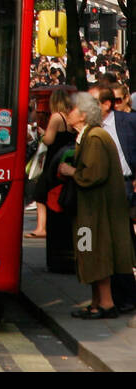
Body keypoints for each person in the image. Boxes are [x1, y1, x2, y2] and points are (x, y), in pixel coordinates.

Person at [59, 91, 135, 319]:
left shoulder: (95, 138)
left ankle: (106, 303)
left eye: (71, 110)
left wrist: (70, 171)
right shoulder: (88, 136)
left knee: (95, 254)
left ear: (82, 115)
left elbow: (93, 174)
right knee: (87, 254)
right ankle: (96, 303)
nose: (67, 114)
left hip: (95, 215)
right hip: (87, 213)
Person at [28, 85, 73, 240]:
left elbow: (49, 139)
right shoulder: (69, 118)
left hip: (53, 159)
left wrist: (42, 135)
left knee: (40, 193)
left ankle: (41, 227)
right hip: (65, 158)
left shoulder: (56, 117)